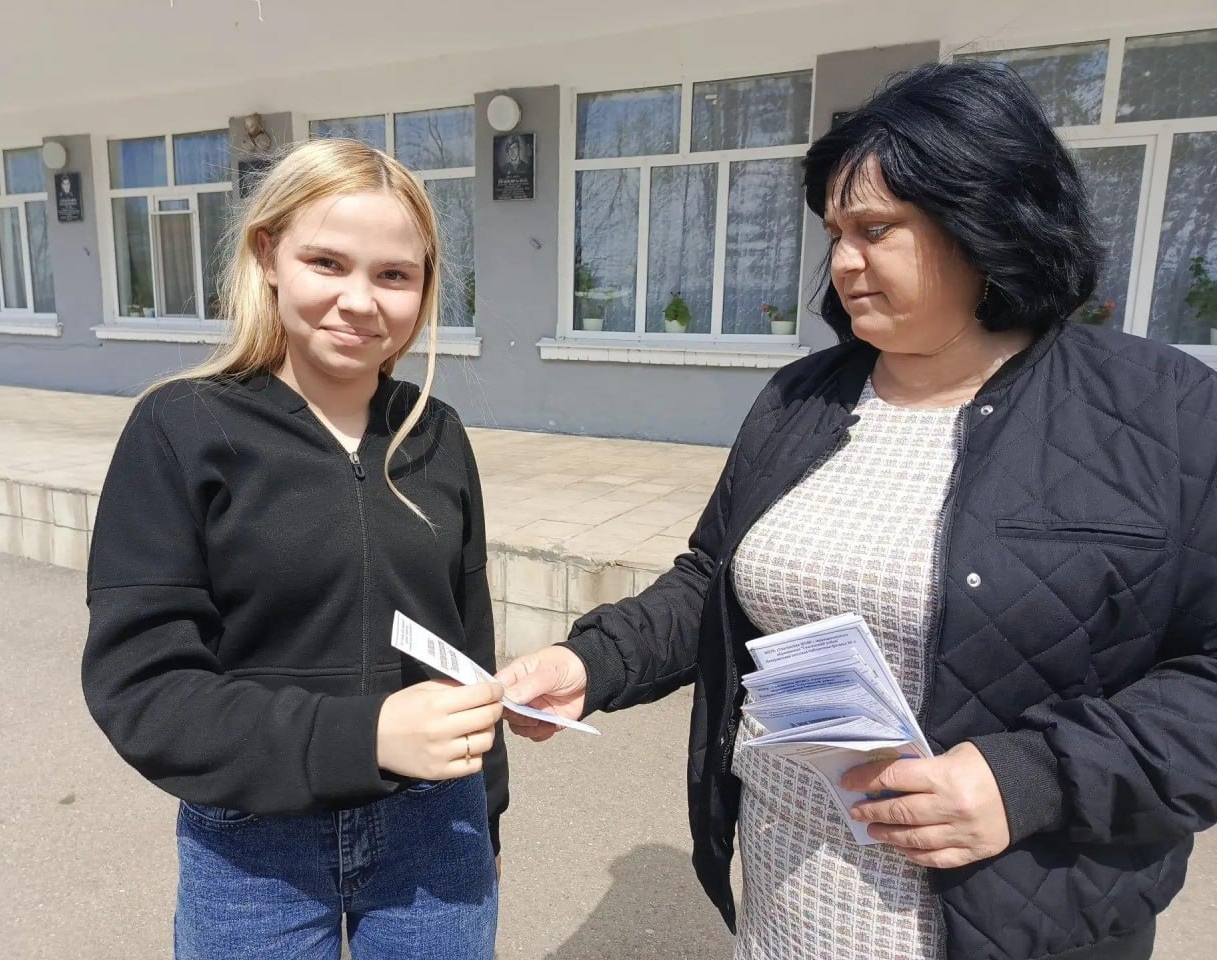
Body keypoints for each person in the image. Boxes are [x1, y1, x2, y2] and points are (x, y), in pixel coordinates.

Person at [497, 59, 1217, 960]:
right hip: (793, 904)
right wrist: (591, 662)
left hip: (1025, 925)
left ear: (987, 218)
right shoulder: (802, 399)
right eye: (835, 232)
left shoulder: (1161, 415)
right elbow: (715, 579)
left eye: (875, 230)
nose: (841, 262)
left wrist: (1030, 778)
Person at [82, 138, 506, 960]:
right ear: (267, 254)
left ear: (425, 287)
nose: (360, 301)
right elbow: (143, 688)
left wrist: (484, 814)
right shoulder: (181, 428)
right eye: (327, 263)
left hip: (434, 831)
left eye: (394, 275)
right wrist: (363, 736)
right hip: (254, 848)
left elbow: (469, 652)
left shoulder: (437, 435)